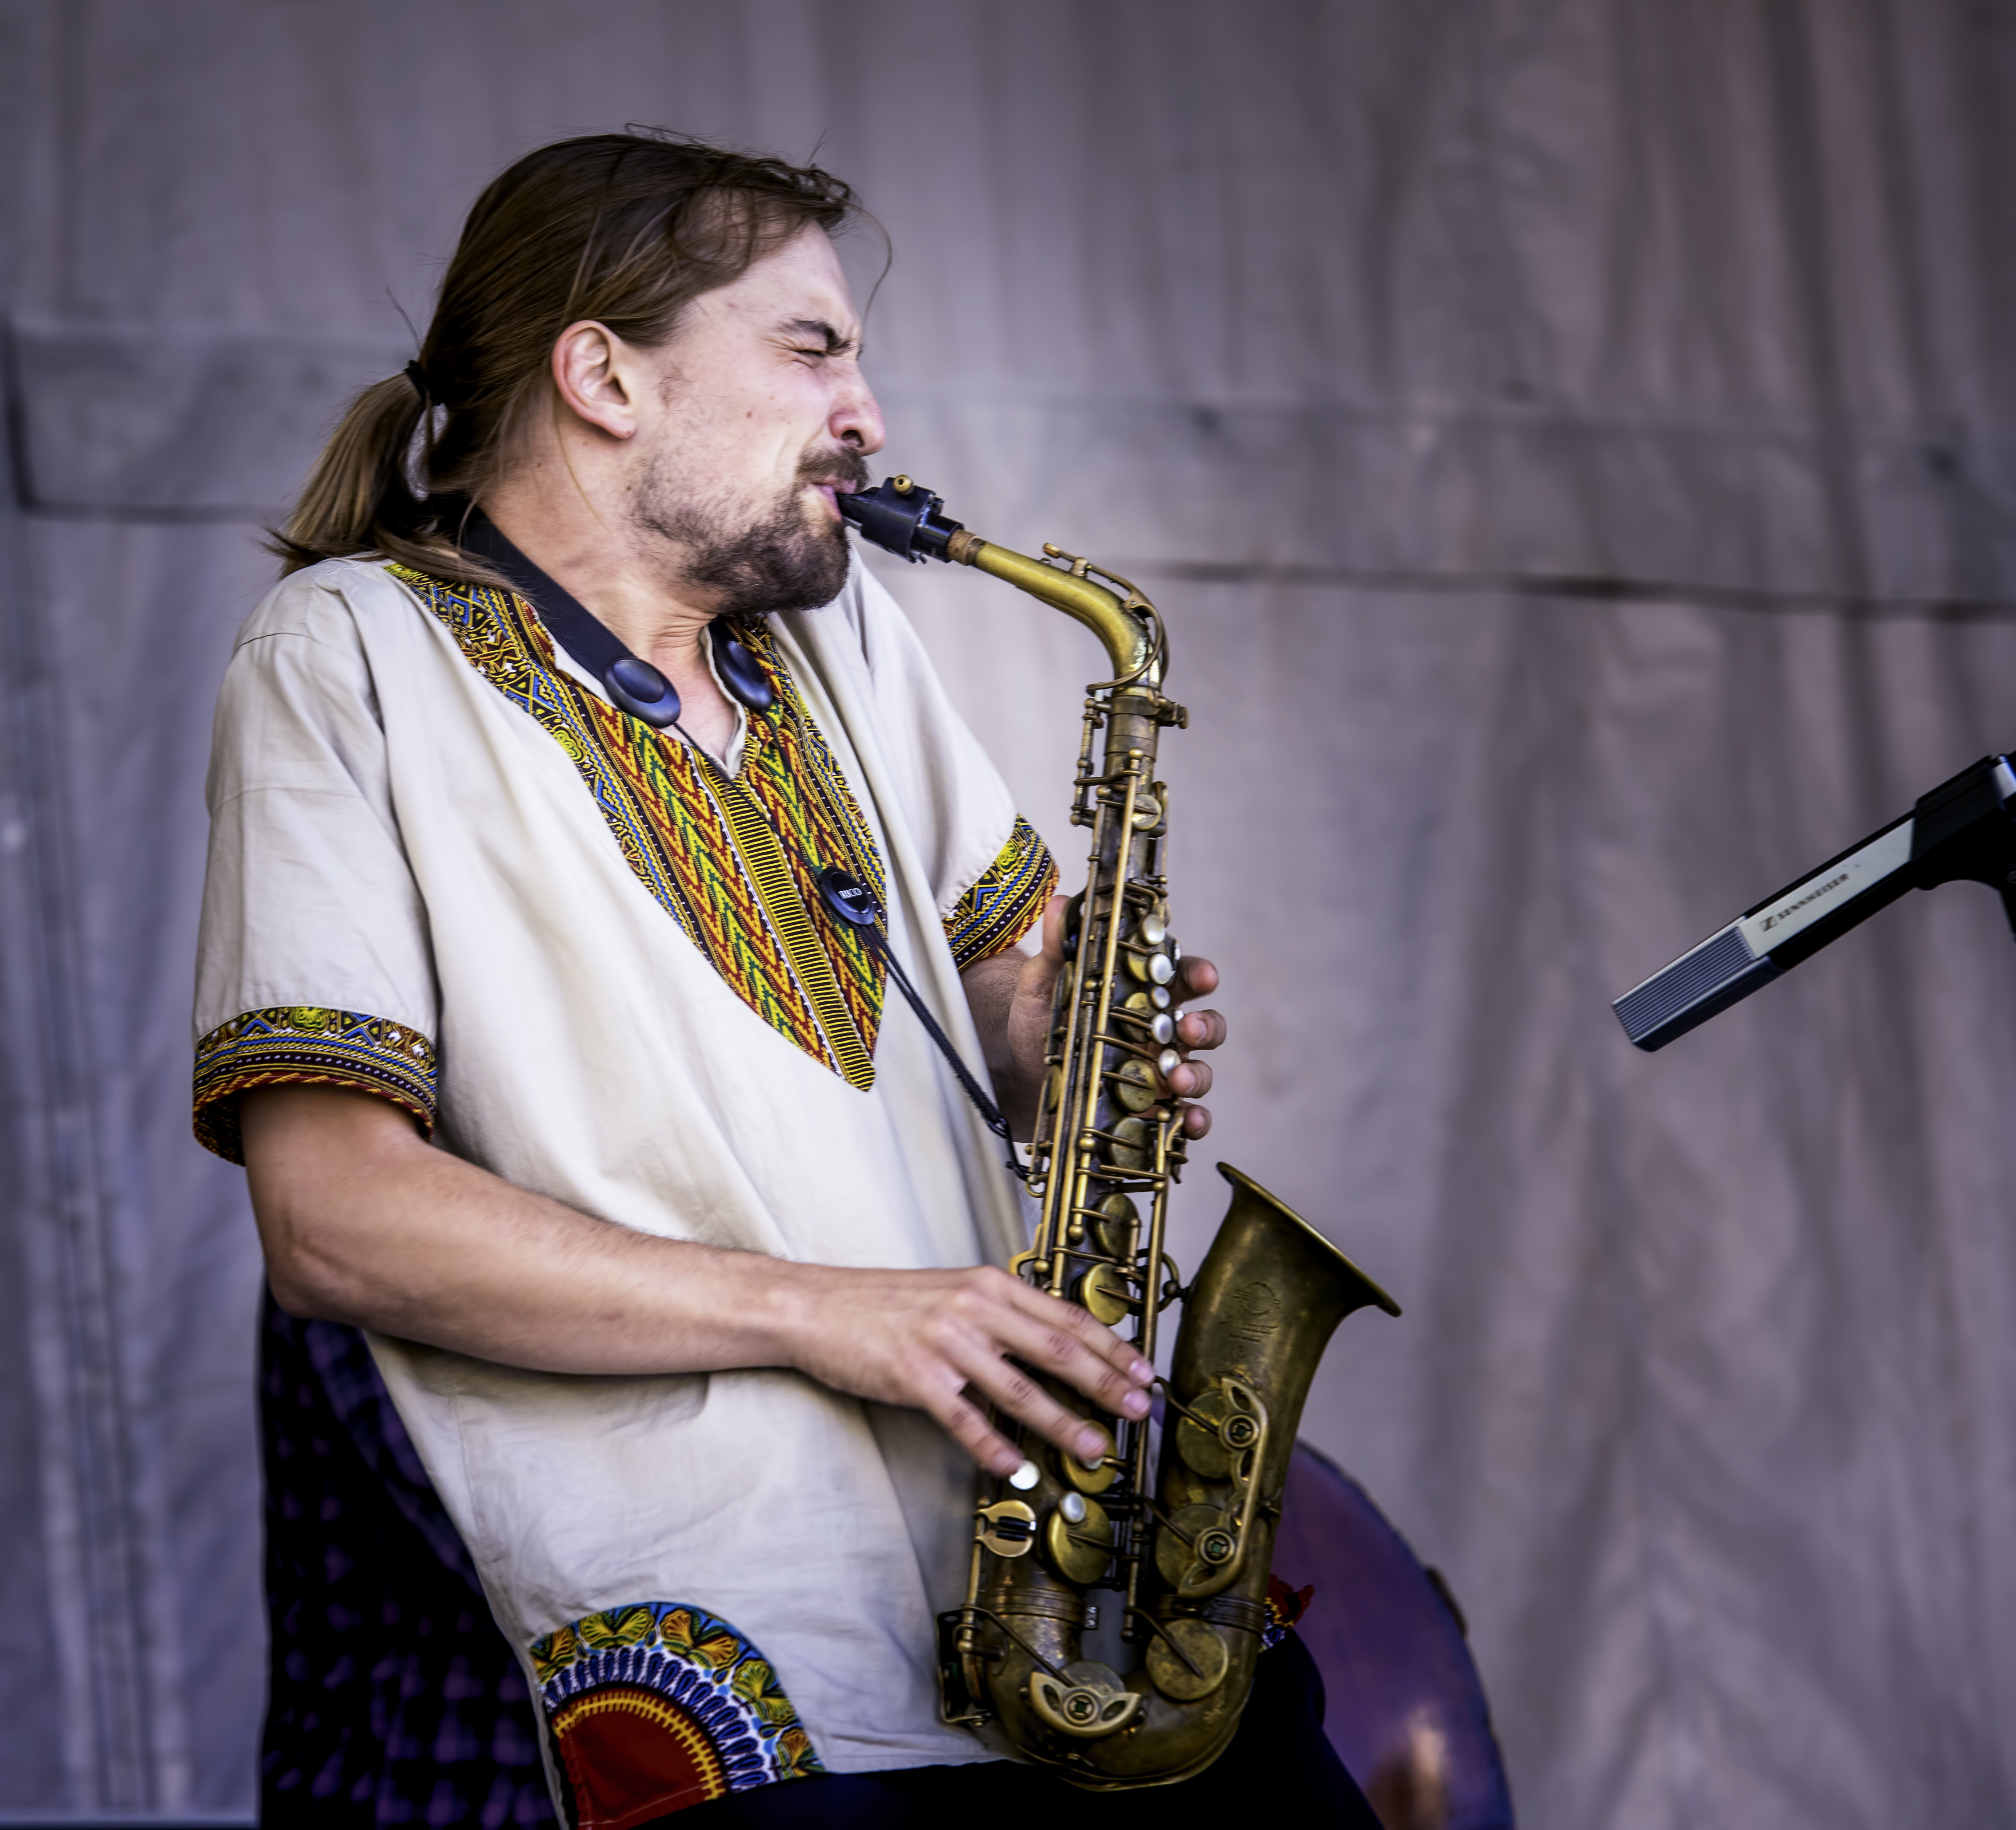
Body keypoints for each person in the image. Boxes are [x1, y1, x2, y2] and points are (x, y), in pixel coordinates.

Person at [195, 132, 1378, 1827]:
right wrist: (837, 1314)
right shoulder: (343, 654)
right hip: (732, 1626)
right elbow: (334, 1222)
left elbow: (1000, 1002)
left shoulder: (837, 637)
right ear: (602, 374)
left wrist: (1091, 1036)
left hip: (1050, 1574)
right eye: (813, 350)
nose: (868, 415)